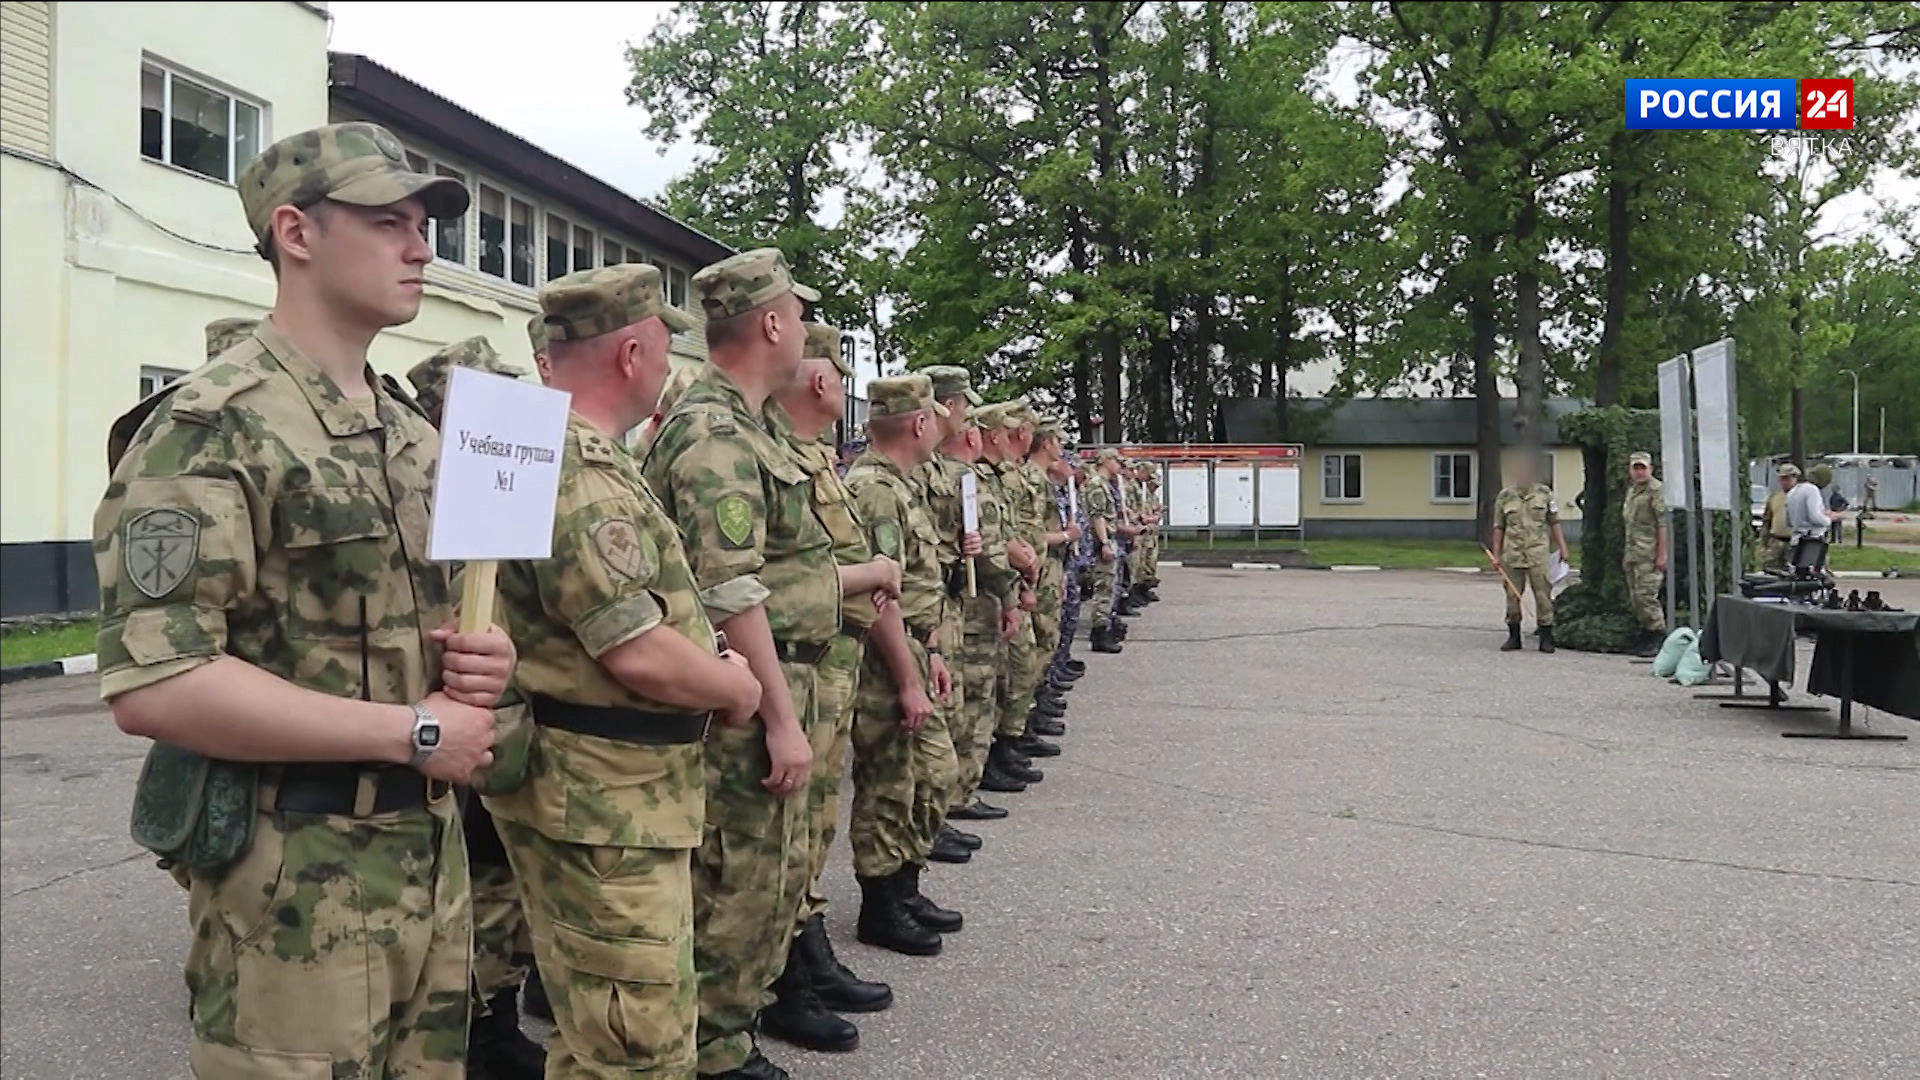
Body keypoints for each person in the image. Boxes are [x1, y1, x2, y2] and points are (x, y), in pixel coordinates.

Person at [96, 120, 514, 1076]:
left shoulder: (408, 434)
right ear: (296, 232)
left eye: (426, 224)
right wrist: (413, 729)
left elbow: (423, 638)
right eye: (387, 221)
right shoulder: (210, 429)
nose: (422, 247)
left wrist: (485, 660)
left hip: (426, 862)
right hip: (293, 888)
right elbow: (157, 685)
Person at [641, 247, 836, 1080]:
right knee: (734, 887)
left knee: (767, 881)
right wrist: (781, 720)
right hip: (746, 695)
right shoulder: (715, 431)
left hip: (773, 678)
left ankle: (726, 1036)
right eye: (797, 315)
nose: (804, 332)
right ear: (769, 322)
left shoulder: (749, 425)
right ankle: (710, 1053)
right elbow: (729, 587)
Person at [403, 334, 545, 1080]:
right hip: (438, 718)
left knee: (500, 871)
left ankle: (495, 1006)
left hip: (502, 710)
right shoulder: (419, 492)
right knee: (474, 871)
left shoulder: (499, 485)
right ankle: (479, 1021)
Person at [758, 322, 902, 1052]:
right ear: (821, 381)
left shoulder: (811, 458)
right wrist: (871, 576)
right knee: (783, 836)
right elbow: (763, 579)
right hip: (791, 663)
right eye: (840, 375)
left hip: (826, 662)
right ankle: (781, 976)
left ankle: (804, 949)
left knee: (812, 829)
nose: (843, 388)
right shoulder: (766, 451)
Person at [844, 375, 963, 955]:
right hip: (885, 657)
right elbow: (880, 597)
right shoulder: (875, 491)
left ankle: (905, 886)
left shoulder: (901, 484)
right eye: (936, 417)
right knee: (891, 781)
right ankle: (881, 903)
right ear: (919, 423)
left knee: (931, 776)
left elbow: (916, 584)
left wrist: (932, 651)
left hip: (914, 645)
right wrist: (909, 678)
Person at [1491, 453, 1570, 653]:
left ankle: (1546, 637)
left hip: (1538, 553)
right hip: (1513, 554)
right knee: (1512, 595)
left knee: (1543, 595)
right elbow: (1499, 526)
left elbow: (1554, 522)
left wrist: (1563, 547)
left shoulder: (1544, 494)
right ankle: (1514, 636)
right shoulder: (1505, 497)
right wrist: (1496, 554)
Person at [1620, 451, 1667, 658]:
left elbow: (1662, 525)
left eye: (1643, 468)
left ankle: (1658, 634)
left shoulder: (1656, 491)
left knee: (1647, 596)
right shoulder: (1632, 491)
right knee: (1636, 597)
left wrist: (1662, 554)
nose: (1639, 472)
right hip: (1633, 553)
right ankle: (1646, 634)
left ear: (1651, 469)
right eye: (1635, 468)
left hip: (1649, 553)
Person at [1083, 449, 1126, 654]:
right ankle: (1099, 633)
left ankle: (1105, 626)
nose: (1119, 465)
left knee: (1109, 586)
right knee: (1104, 588)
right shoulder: (1097, 484)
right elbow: (1097, 516)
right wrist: (1104, 543)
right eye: (1116, 461)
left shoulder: (1105, 484)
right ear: (1106, 461)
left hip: (1109, 538)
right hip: (1103, 542)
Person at [1759, 464, 1797, 570]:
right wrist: (1763, 544)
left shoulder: (1801, 495)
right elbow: (1767, 521)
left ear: (1795, 478)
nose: (1784, 482)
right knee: (1770, 569)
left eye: (1787, 478)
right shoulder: (1774, 497)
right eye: (1781, 479)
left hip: (1795, 542)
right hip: (1776, 542)